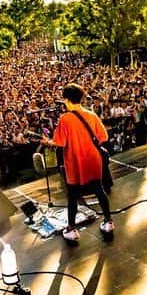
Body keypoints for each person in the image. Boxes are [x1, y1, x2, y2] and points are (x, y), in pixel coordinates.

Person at [41, 83, 113, 243]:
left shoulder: (65, 119)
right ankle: (108, 222)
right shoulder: (91, 115)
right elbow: (103, 137)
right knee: (99, 189)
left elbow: (59, 143)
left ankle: (72, 230)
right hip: (93, 159)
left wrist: (47, 142)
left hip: (75, 162)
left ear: (66, 99)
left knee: (73, 195)